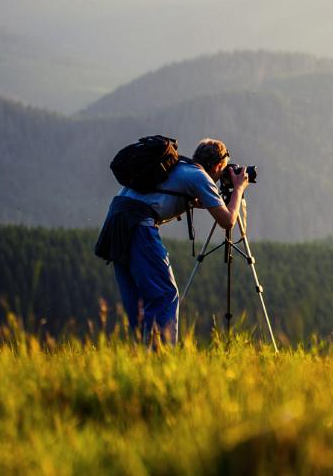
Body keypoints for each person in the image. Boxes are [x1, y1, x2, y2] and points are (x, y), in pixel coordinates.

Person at [95, 138, 250, 344]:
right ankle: (162, 357)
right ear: (218, 166)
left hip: (116, 221)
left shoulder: (179, 166)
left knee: (138, 300)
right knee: (164, 295)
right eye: (222, 173)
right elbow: (228, 221)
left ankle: (142, 357)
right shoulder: (199, 176)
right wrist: (238, 188)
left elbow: (163, 196)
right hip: (138, 223)